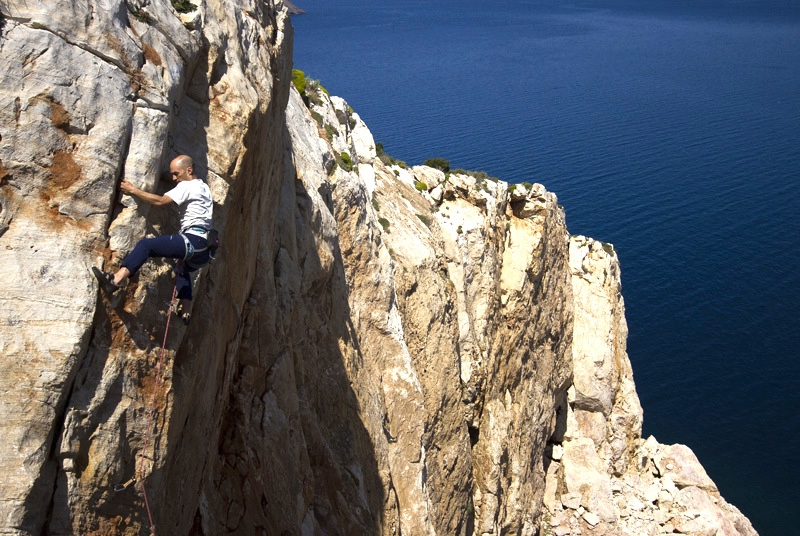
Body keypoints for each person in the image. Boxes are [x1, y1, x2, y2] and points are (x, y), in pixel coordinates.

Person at [92, 155, 213, 324]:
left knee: (146, 246)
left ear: (189, 170)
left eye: (176, 173)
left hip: (192, 240)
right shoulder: (203, 187)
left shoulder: (187, 186)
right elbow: (180, 186)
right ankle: (186, 312)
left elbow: (161, 201)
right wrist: (169, 176)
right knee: (182, 270)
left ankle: (117, 279)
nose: (174, 178)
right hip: (204, 250)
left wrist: (133, 190)